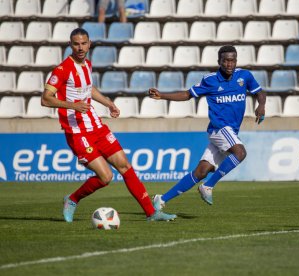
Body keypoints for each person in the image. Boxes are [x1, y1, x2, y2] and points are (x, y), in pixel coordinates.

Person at [41, 28, 176, 222]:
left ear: (89, 44)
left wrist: (108, 103)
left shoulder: (87, 64)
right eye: (76, 44)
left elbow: (88, 88)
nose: (80, 47)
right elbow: (45, 99)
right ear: (70, 45)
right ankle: (72, 199)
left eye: (84, 43)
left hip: (97, 126)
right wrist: (72, 105)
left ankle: (152, 213)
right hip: (78, 132)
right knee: (106, 177)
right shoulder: (62, 70)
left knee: (125, 166)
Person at [148, 45, 266, 211]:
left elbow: (260, 92)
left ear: (236, 61)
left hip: (229, 131)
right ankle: (208, 186)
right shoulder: (210, 80)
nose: (229, 64)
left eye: (232, 60)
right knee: (240, 153)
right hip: (219, 128)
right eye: (225, 61)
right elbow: (187, 95)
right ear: (219, 61)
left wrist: (261, 105)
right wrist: (162, 96)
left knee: (202, 171)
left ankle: (161, 199)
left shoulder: (244, 76)